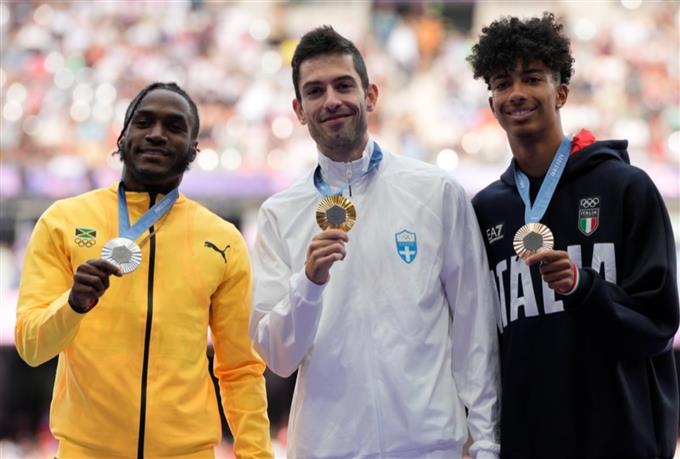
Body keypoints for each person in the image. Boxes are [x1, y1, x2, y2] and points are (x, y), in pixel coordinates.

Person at [249, 26, 500, 459]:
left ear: (370, 96)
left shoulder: (436, 192)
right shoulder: (278, 214)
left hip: (430, 447)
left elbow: (474, 329)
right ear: (299, 110)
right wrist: (308, 285)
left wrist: (487, 443)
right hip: (328, 450)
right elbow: (278, 356)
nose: (331, 100)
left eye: (344, 85)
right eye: (315, 91)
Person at [15, 82, 273, 459]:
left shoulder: (223, 240)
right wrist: (72, 306)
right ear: (122, 137)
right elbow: (32, 347)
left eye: (174, 126)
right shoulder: (63, 222)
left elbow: (240, 368)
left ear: (194, 148)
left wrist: (257, 455)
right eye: (143, 122)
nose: (156, 134)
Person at [468, 12, 679, 459]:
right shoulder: (487, 210)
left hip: (618, 442)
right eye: (503, 83)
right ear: (492, 103)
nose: (516, 92)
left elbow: (659, 324)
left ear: (561, 91)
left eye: (532, 78)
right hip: (528, 443)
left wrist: (585, 288)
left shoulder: (626, 188)